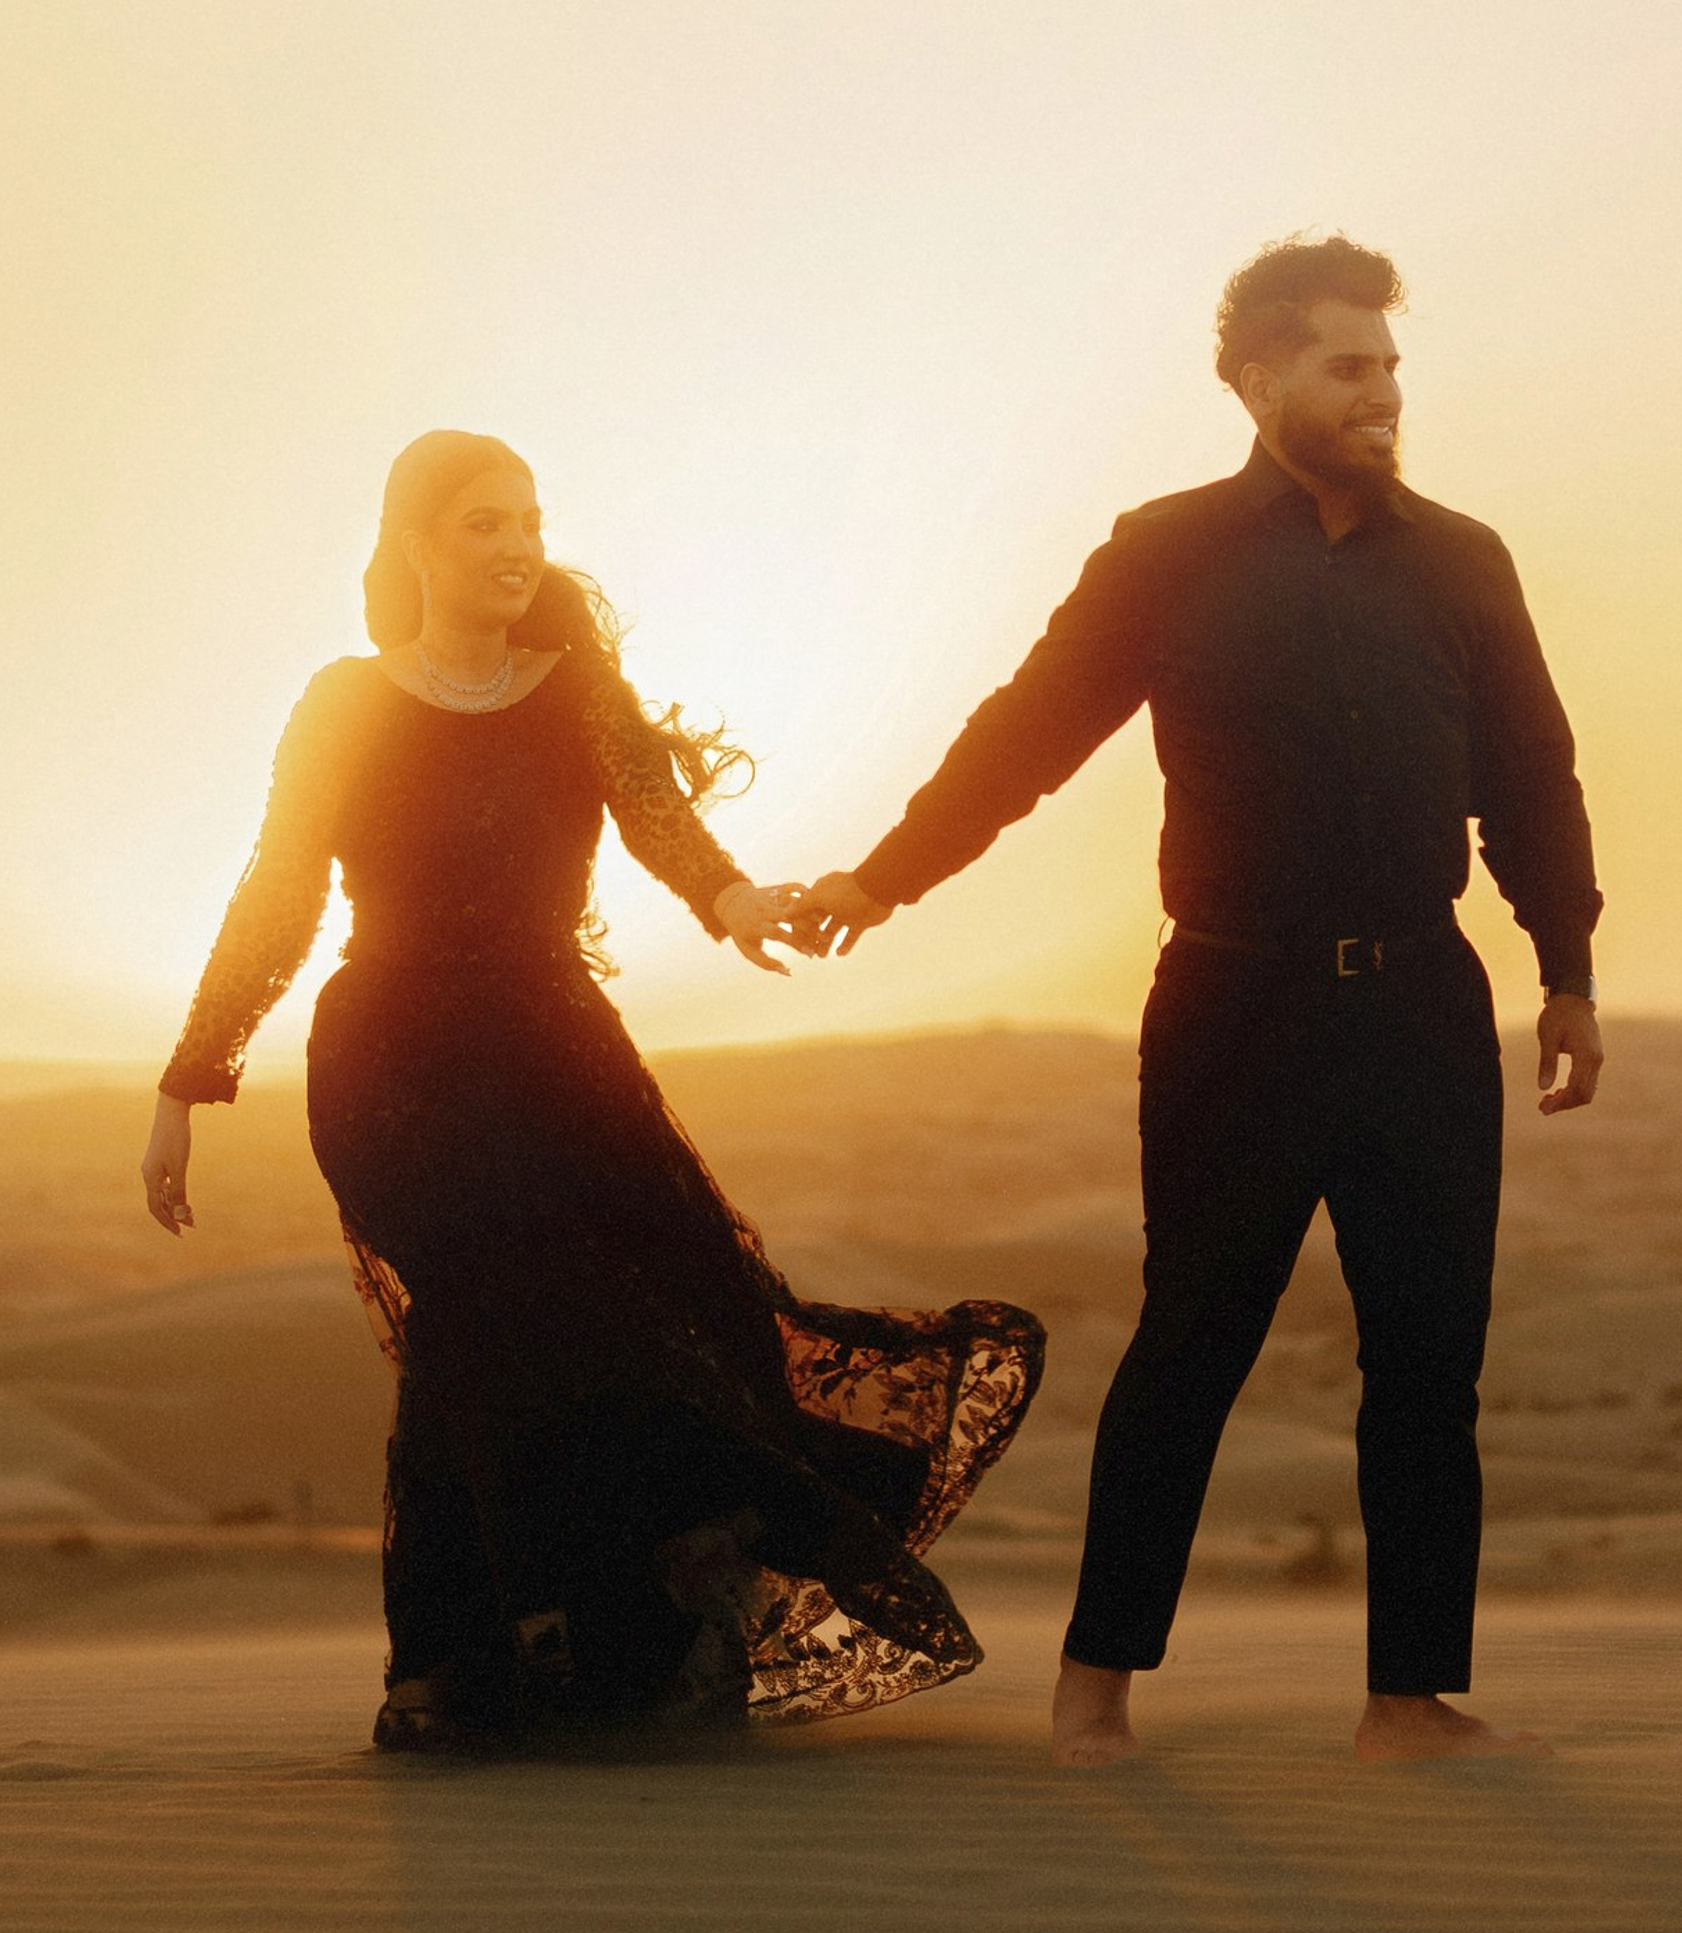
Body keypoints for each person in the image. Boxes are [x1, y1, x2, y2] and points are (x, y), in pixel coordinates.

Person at [789, 238, 1604, 1765]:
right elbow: (1027, 733)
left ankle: (1409, 1699)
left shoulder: (1463, 561)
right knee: (1194, 1343)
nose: (1384, 392)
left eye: (1392, 366)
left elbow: (1530, 773)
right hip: (1236, 1006)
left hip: (1424, 1007)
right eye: (1349, 367)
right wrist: (884, 879)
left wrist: (1566, 964)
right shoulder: (1165, 553)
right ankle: (1095, 1688)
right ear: (1257, 380)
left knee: (1430, 1365)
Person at [141, 430, 1042, 1752]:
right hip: (393, 1067)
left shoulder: (576, 692)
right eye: (483, 523)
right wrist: (189, 1078)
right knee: (502, 1305)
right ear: (414, 543)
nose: (517, 547)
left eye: (530, 521)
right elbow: (280, 890)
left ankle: (531, 1653)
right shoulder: (342, 703)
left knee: (636, 1328)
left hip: (560, 1061)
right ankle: (542, 1641)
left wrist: (733, 900)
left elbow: (660, 819)